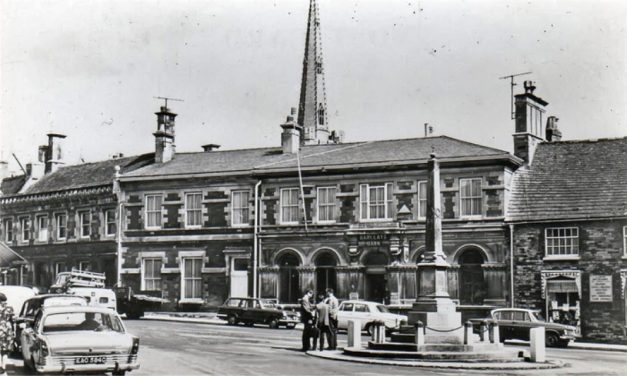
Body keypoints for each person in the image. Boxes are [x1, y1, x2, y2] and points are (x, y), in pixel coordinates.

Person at [0, 293, 14, 369]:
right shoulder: (9, 308)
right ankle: (3, 367)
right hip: (7, 330)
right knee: (5, 350)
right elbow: (12, 320)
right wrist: (13, 331)